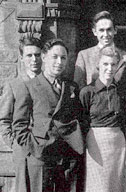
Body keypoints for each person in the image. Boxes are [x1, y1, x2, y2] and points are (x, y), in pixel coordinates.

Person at [12, 39, 84, 192]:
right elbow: (19, 125)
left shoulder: (71, 87)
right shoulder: (29, 86)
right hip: (41, 158)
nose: (59, 62)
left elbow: (79, 120)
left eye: (63, 58)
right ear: (44, 57)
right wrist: (35, 149)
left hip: (65, 159)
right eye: (55, 57)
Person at [79, 47, 126, 192]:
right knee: (98, 185)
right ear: (98, 65)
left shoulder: (121, 90)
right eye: (105, 64)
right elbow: (82, 121)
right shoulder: (88, 91)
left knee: (116, 184)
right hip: (95, 143)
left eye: (113, 64)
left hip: (118, 144)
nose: (109, 68)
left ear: (117, 66)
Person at [0, 37, 42, 192]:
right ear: (22, 58)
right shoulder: (14, 84)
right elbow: (4, 119)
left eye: (37, 55)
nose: (34, 60)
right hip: (22, 149)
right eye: (29, 55)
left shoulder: (48, 82)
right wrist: (15, 144)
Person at [74, 11, 126, 90]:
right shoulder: (84, 55)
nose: (106, 34)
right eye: (101, 30)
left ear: (115, 30)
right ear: (94, 32)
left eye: (109, 30)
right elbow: (79, 86)